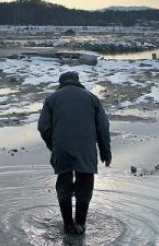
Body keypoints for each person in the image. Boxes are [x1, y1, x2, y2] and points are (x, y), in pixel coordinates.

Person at [38, 71, 112, 235]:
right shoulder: (92, 98)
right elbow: (103, 128)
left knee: (63, 185)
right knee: (85, 185)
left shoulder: (51, 99)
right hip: (86, 151)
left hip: (62, 149)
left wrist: (55, 145)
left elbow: (43, 127)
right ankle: (81, 224)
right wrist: (106, 154)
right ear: (78, 82)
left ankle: (68, 225)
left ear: (61, 83)